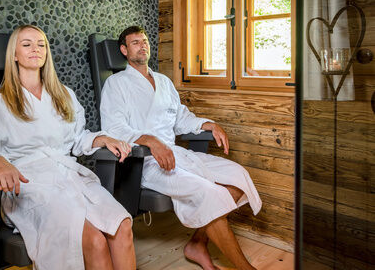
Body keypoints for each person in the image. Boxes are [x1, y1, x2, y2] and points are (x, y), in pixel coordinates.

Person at [0, 25, 136, 270]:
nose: (35, 49)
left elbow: (77, 139)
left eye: (41, 44)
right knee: (94, 241)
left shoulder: (64, 95)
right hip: (29, 185)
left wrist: (102, 139)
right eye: (26, 44)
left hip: (69, 177)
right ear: (14, 55)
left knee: (122, 226)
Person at [100, 25, 262, 270]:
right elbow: (114, 129)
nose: (142, 45)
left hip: (176, 154)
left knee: (238, 177)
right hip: (146, 161)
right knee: (211, 193)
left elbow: (180, 119)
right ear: (123, 50)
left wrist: (207, 124)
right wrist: (151, 142)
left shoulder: (164, 82)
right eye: (135, 42)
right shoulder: (116, 84)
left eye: (144, 41)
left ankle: (197, 244)